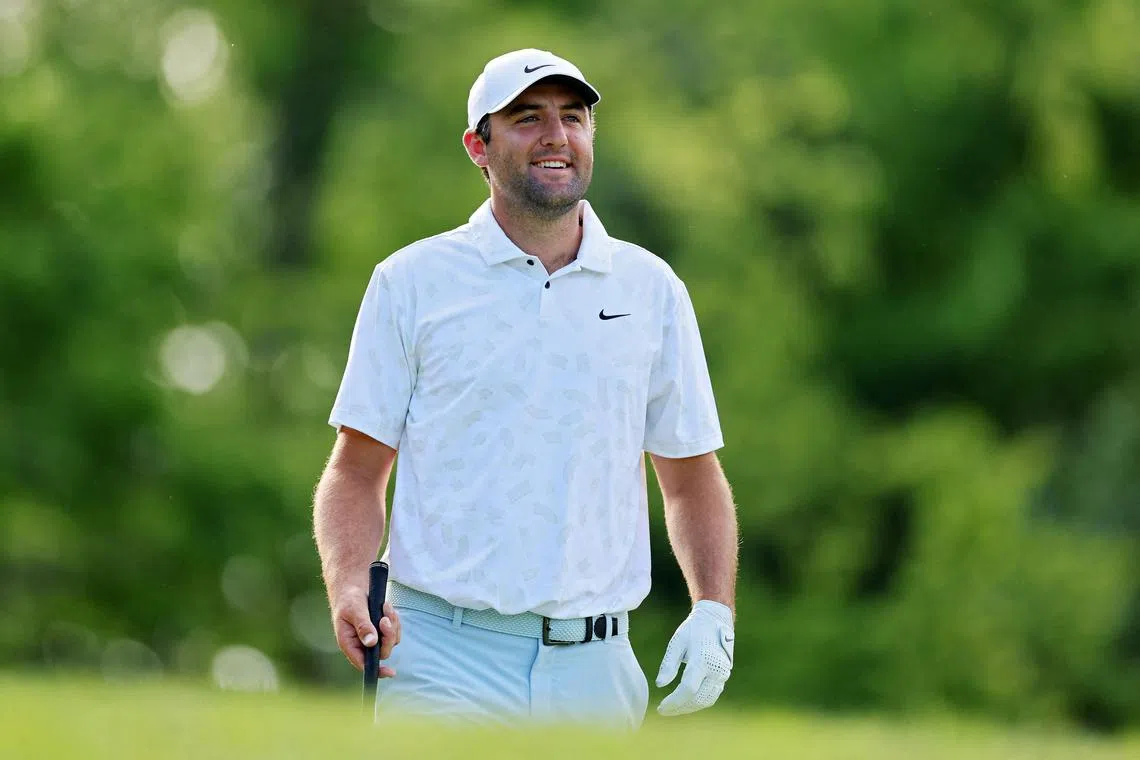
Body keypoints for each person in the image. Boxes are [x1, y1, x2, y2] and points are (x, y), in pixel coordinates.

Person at [313, 48, 738, 730]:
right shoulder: (412, 282)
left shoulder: (651, 289)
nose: (556, 136)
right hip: (439, 658)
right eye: (527, 118)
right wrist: (346, 584)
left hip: (599, 669)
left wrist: (713, 608)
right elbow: (357, 473)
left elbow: (689, 476)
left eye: (573, 117)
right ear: (478, 147)